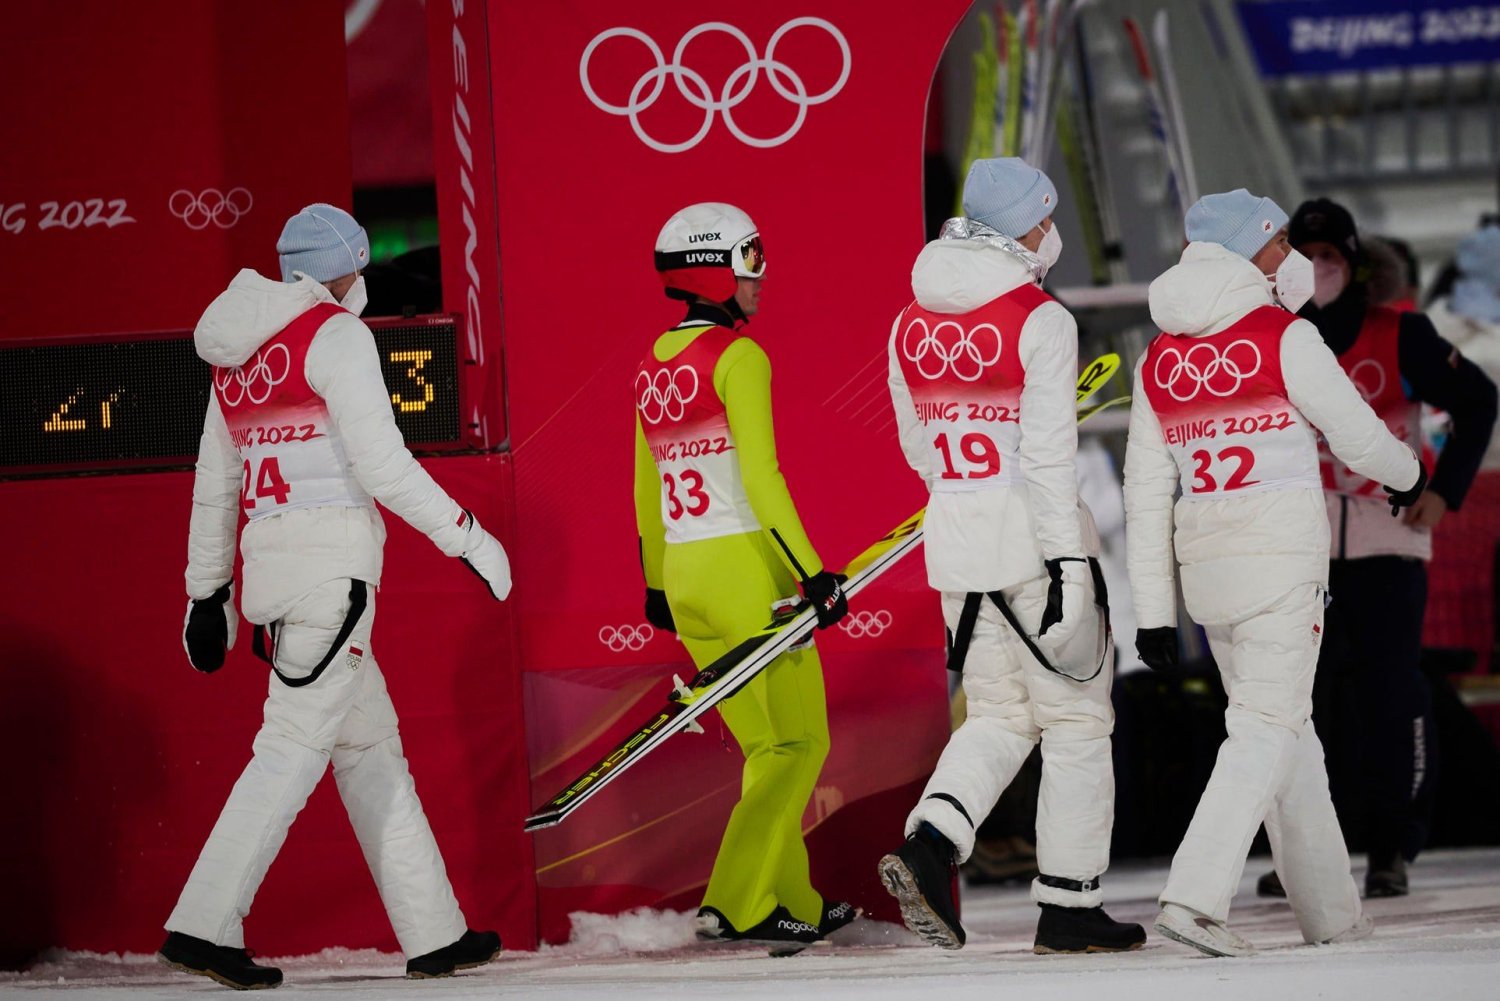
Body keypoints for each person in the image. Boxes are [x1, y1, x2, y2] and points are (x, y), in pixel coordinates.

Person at [160, 204, 511, 989]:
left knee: (369, 750)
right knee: (287, 753)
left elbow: (215, 486)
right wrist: (472, 537)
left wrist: (206, 595)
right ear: (345, 267)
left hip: (280, 581)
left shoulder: (236, 353)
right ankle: (201, 924)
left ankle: (434, 933)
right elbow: (384, 470)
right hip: (335, 577)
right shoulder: (338, 335)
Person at [1125, 188, 1426, 957]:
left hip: (1210, 575)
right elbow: (1358, 436)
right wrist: (1410, 475)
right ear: (1252, 250)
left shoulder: (1159, 354)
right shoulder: (1282, 336)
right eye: (1282, 242)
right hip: (1283, 566)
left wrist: (1154, 611)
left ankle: (1331, 911)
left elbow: (1145, 489)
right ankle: (1194, 898)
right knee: (1265, 729)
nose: (1292, 258)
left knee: (1290, 735)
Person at [877, 158, 1144, 955]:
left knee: (998, 714)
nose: (1048, 231)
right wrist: (1068, 567)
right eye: (1043, 218)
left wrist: (965, 497)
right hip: (1035, 544)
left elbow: (917, 445)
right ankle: (1069, 901)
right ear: (1022, 226)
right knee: (1077, 721)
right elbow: (1049, 463)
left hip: (956, 544)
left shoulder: (907, 319)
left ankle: (930, 841)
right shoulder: (1041, 319)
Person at [633, 202, 855, 951]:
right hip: (744, 571)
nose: (762, 276)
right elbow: (762, 475)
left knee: (769, 749)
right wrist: (813, 571)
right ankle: (736, 901)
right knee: (799, 746)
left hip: (689, 574)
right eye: (750, 259)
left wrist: (658, 583)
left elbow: (643, 485)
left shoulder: (652, 361)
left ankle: (794, 895)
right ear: (714, 269)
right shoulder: (739, 357)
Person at [1286, 199, 1496, 896]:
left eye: (1330, 259)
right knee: (1303, 702)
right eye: (1306, 257)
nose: (1318, 271)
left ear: (1356, 266)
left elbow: (1479, 400)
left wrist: (1446, 490)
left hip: (1387, 541)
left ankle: (1391, 846)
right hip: (1299, 549)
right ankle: (1313, 852)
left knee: (1390, 694)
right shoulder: (1276, 335)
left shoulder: (1401, 333)